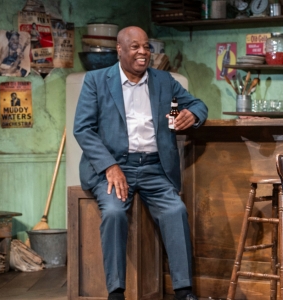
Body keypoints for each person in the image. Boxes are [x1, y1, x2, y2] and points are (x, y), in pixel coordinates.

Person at [73, 26, 207, 300]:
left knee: (175, 211)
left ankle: (184, 291)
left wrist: (192, 115)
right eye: (135, 47)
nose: (143, 52)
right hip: (112, 168)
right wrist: (109, 166)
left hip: (154, 168)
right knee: (112, 214)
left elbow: (198, 104)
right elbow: (83, 129)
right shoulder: (96, 81)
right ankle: (116, 292)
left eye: (146, 46)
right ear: (119, 50)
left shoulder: (163, 81)